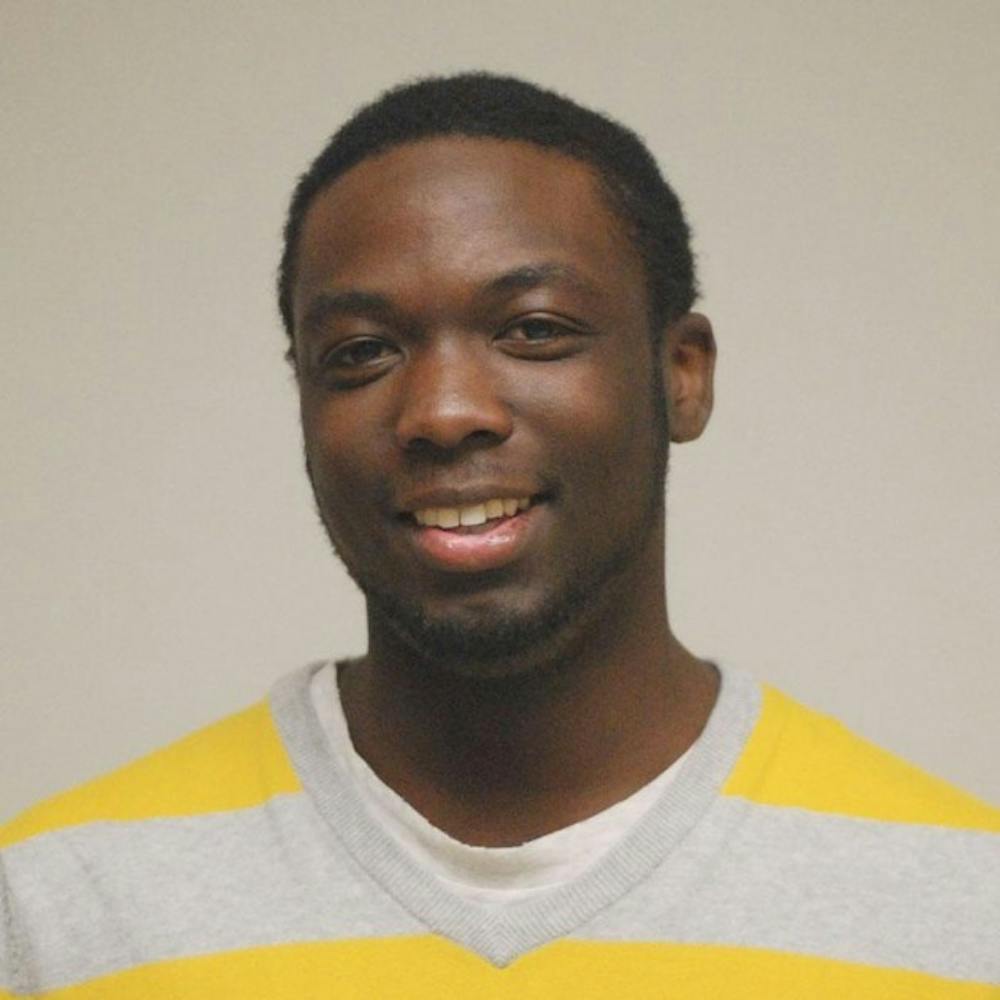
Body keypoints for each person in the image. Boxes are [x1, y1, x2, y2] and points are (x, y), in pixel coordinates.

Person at [1, 73, 997, 999]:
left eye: (534, 330)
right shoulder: (60, 913)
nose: (443, 412)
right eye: (361, 351)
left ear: (682, 373)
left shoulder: (961, 912)